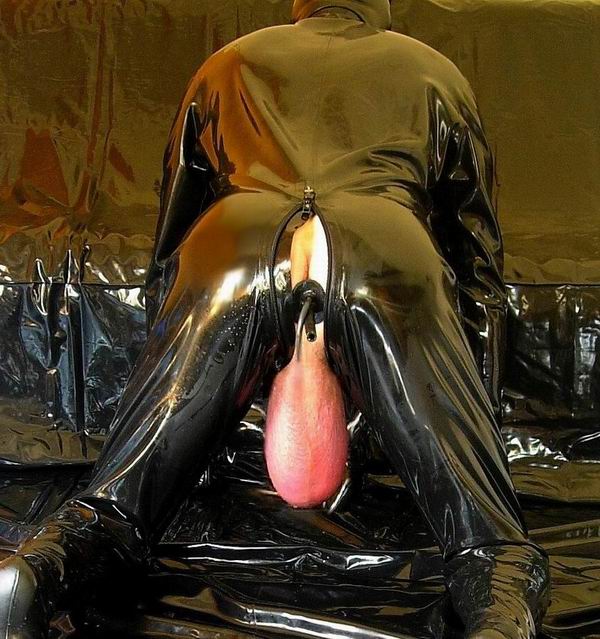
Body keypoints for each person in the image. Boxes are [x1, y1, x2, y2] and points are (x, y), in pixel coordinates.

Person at [0, 1, 550, 637]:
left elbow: (171, 243)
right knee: (490, 544)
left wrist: (186, 391)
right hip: (384, 242)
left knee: (118, 503)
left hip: (233, 238)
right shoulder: (434, 72)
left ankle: (38, 570)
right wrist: (473, 419)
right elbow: (476, 262)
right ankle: (498, 615)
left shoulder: (229, 62)